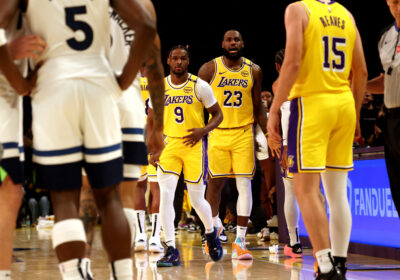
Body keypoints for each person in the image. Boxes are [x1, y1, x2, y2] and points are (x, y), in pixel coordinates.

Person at [0, 1, 160, 279]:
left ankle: (76, 274)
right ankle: (122, 275)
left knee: (64, 199)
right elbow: (146, 26)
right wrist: (122, 80)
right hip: (100, 86)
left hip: (52, 86)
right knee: (112, 198)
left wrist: (20, 83)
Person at [267, 0, 367, 279]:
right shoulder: (347, 13)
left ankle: (325, 266)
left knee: (305, 190)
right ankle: (340, 262)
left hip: (312, 104)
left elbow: (293, 61)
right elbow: (360, 72)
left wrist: (274, 110)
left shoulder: (298, 10)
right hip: (344, 105)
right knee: (336, 195)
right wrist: (356, 114)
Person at [198, 30, 267, 260]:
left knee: (244, 185)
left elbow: (258, 106)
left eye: (237, 39)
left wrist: (268, 134)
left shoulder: (253, 70)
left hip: (243, 133)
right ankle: (212, 230)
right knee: (214, 186)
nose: (233, 43)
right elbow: (196, 104)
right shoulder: (209, 69)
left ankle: (240, 241)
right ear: (222, 43)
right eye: (228, 39)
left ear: (243, 43)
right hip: (217, 133)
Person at [157, 45, 224, 266]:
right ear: (168, 61)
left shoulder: (200, 86)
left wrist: (203, 131)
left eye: (182, 59)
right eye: (174, 58)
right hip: (169, 145)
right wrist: (153, 146)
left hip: (195, 146)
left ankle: (211, 231)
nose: (178, 62)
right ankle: (170, 248)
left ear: (188, 61)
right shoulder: (161, 86)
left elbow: (218, 115)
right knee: (166, 196)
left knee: (196, 200)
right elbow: (152, 119)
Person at [0, 10, 45, 278]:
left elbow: (24, 88)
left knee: (11, 192)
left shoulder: (26, 17)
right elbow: (22, 86)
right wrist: (6, 53)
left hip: (9, 116)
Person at [366, 0, 400, 215]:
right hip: (392, 119)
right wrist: (357, 86)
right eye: (395, 2)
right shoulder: (384, 36)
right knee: (397, 185)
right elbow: (384, 80)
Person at [271, 49, 302, 258]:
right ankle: (326, 246)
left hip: (293, 140)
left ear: (278, 67)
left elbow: (287, 114)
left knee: (292, 190)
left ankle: (294, 242)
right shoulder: (310, 76)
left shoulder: (278, 84)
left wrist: (283, 145)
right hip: (315, 136)